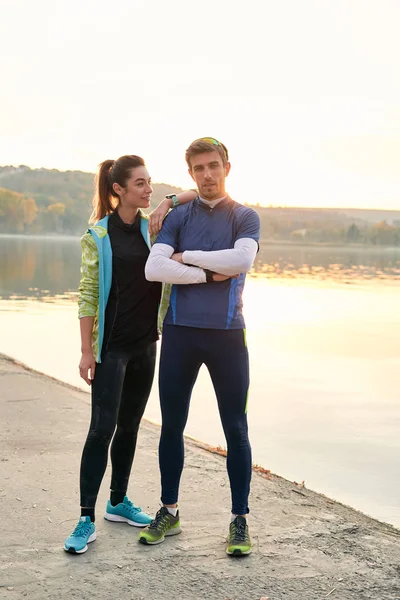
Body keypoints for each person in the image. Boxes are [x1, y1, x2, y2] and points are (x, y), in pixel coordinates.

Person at [64, 155, 196, 554]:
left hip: (145, 344)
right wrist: (87, 351)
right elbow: (87, 295)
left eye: (150, 182)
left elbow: (198, 194)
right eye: (140, 183)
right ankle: (85, 518)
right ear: (117, 189)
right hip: (111, 349)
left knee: (132, 426)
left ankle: (117, 502)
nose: (148, 188)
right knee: (100, 430)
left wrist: (165, 203)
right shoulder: (98, 236)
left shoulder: (152, 227)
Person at [140, 138, 260, 555]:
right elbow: (155, 267)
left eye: (214, 166)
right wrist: (207, 273)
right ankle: (169, 511)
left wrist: (187, 257)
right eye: (199, 169)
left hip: (228, 336)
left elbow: (241, 262)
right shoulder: (178, 216)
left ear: (227, 166)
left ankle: (239, 520)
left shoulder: (245, 216)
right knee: (171, 425)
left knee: (236, 428)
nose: (207, 175)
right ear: (190, 173)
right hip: (179, 333)